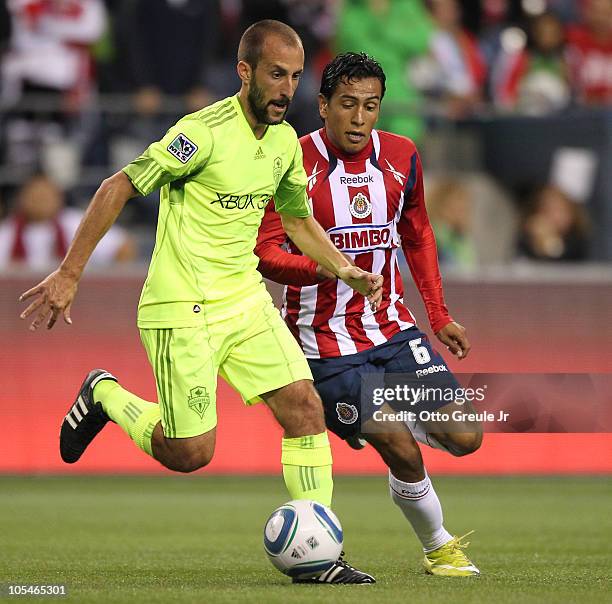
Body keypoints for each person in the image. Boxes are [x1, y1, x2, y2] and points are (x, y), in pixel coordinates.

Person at [19, 21, 382, 585]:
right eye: (275, 75)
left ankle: (320, 552)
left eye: (294, 76)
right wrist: (69, 273)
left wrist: (342, 266)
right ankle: (104, 394)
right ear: (245, 73)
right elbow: (117, 186)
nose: (287, 89)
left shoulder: (285, 142)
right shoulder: (201, 134)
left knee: (304, 408)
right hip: (181, 305)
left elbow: (295, 218)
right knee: (190, 453)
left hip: (243, 300)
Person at [255, 52, 482, 577]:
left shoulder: (402, 156)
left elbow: (418, 235)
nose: (359, 118)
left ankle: (388, 419)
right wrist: (329, 270)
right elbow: (265, 251)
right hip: (323, 343)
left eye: (370, 106)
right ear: (324, 106)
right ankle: (438, 546)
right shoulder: (288, 160)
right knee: (400, 448)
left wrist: (440, 314)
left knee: (467, 438)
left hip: (393, 330)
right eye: (348, 105)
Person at [0, 173, 135, 270]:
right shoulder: (7, 232)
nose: (40, 202)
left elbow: (123, 247)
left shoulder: (76, 222)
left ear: (59, 197)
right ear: (21, 199)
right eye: (35, 197)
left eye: (45, 196)